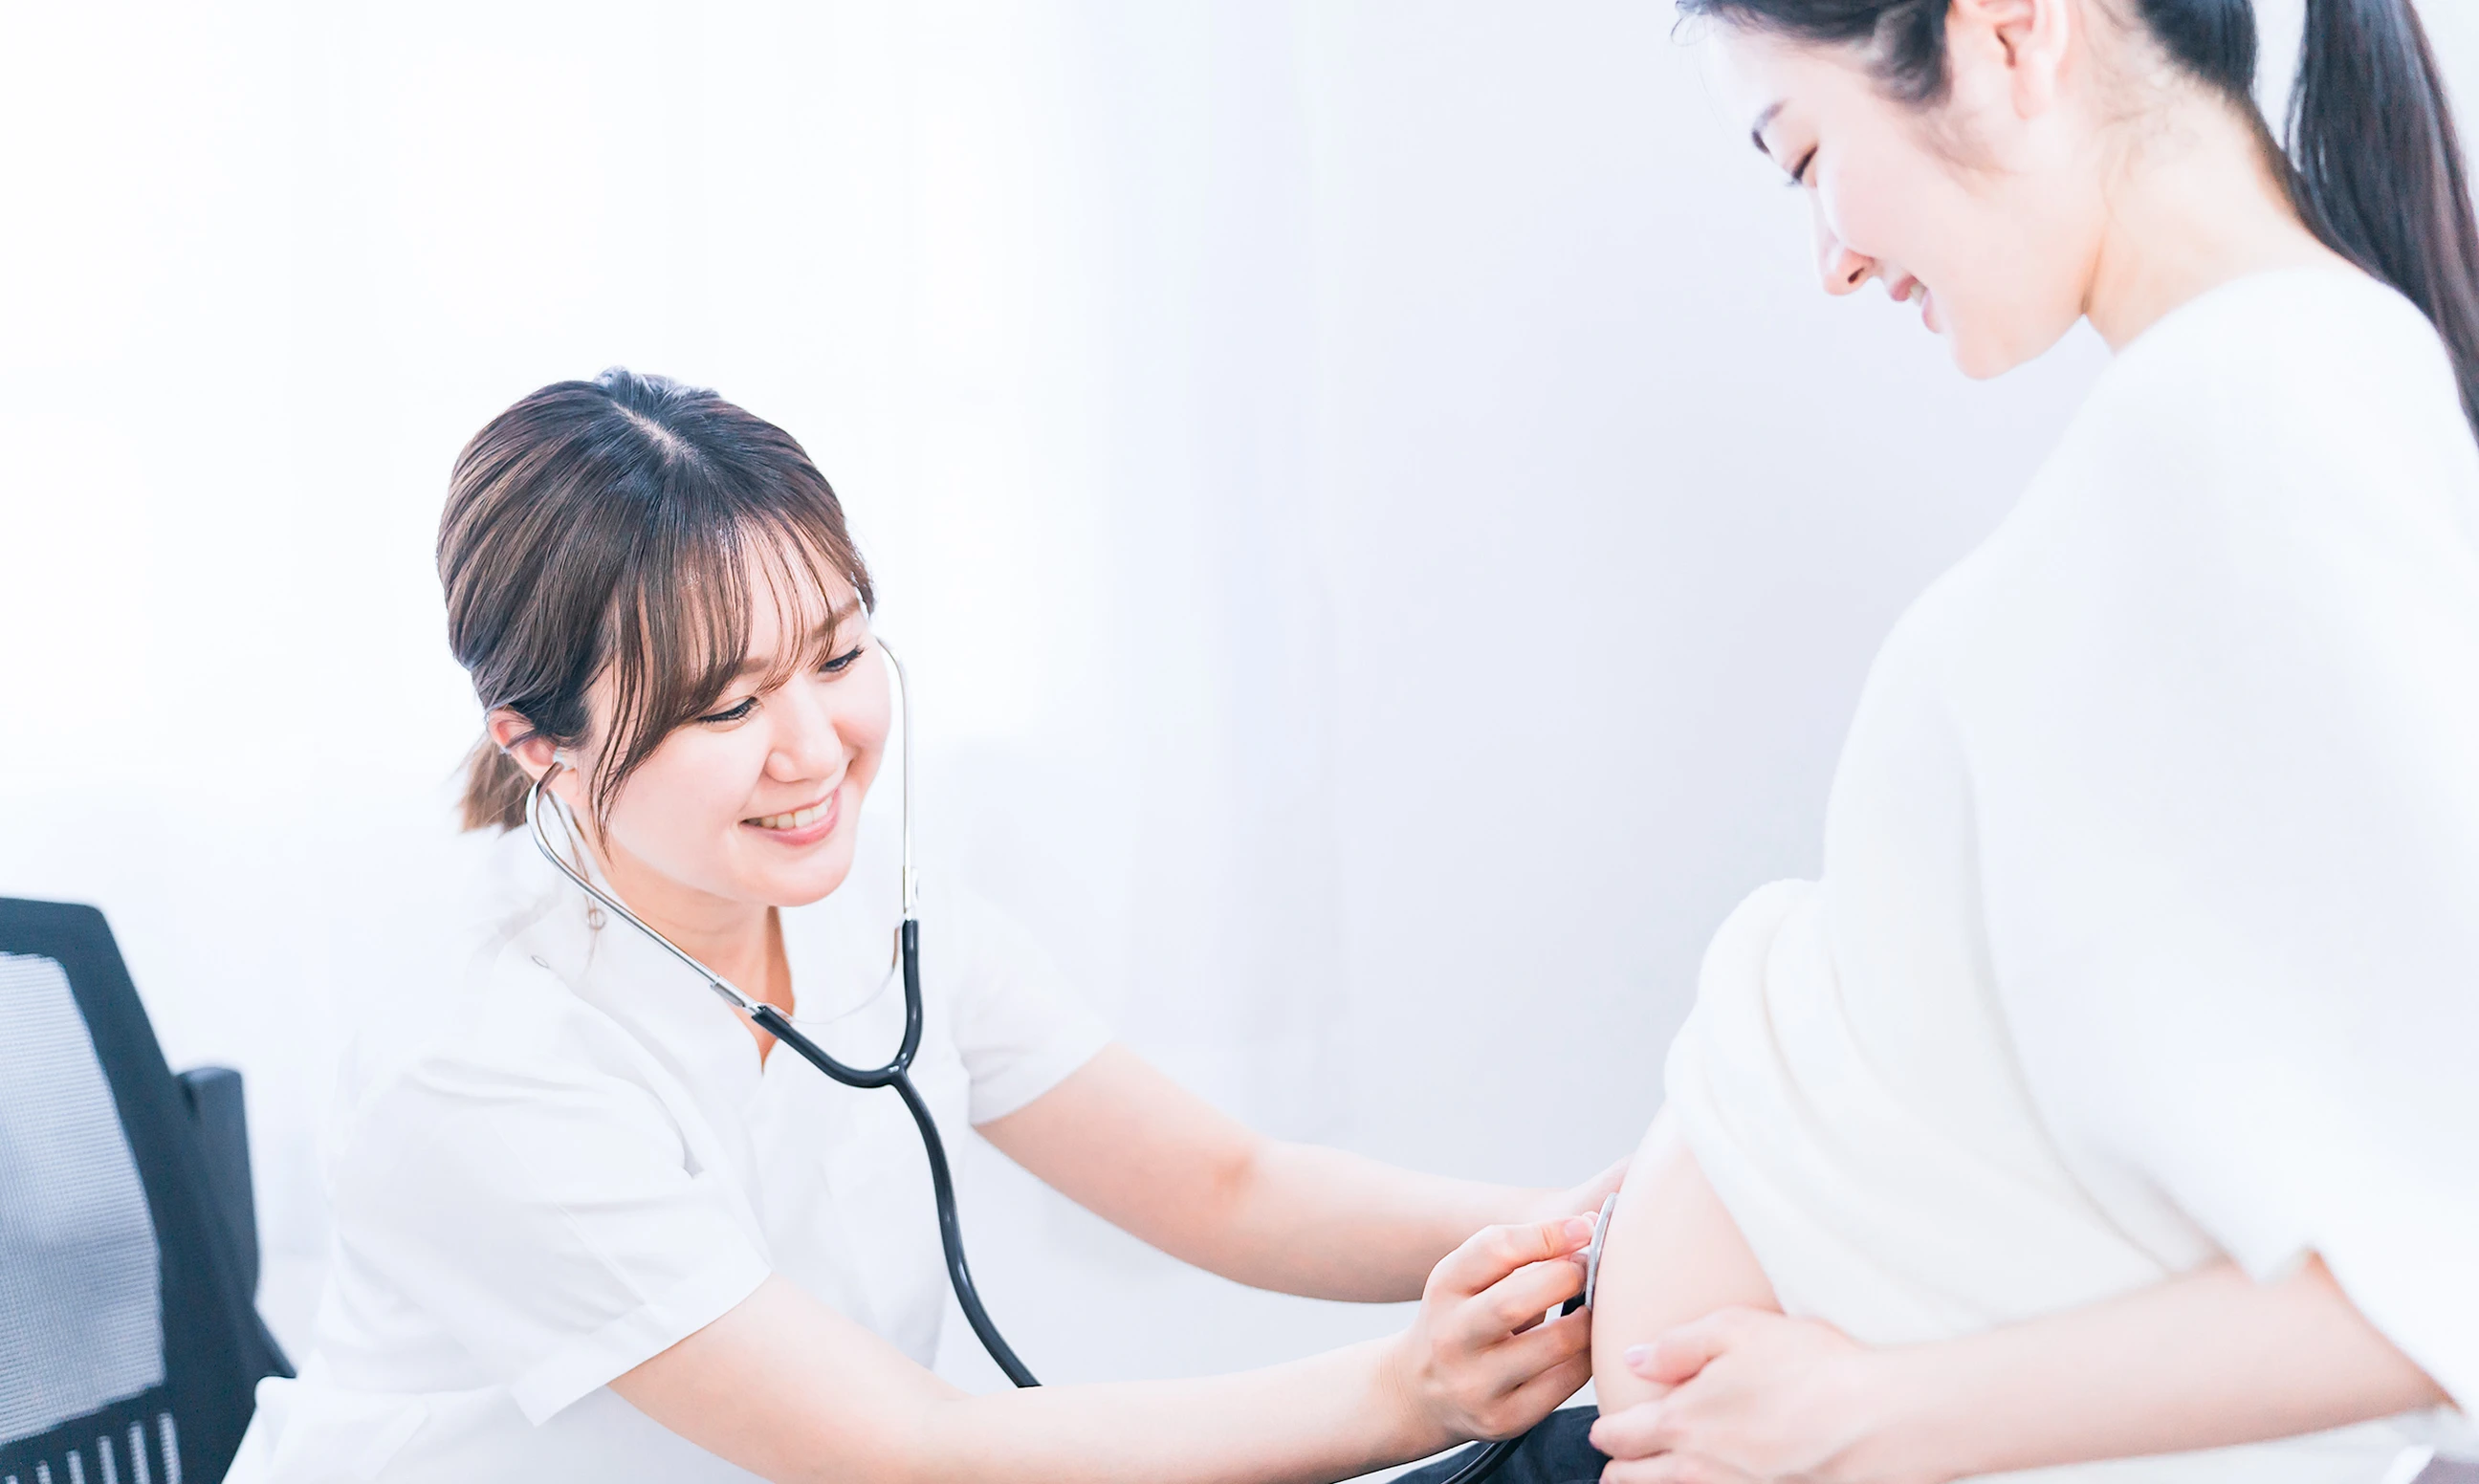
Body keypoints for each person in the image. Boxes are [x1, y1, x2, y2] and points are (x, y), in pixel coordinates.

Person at [1403, 0, 2479, 1479]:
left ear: (2012, 35)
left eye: (1804, 156)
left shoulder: (2263, 410)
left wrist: (1867, 1415)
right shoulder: (2248, 399)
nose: (1832, 261)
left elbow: (2446, 1251)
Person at [225, 369, 1624, 1483]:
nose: (814, 750)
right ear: (539, 741)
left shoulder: (865, 906)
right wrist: (1412, 1392)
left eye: (837, 656)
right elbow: (904, 1450)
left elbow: (1225, 1186)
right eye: (727, 704)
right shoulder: (476, 1063)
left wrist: (1589, 1232)